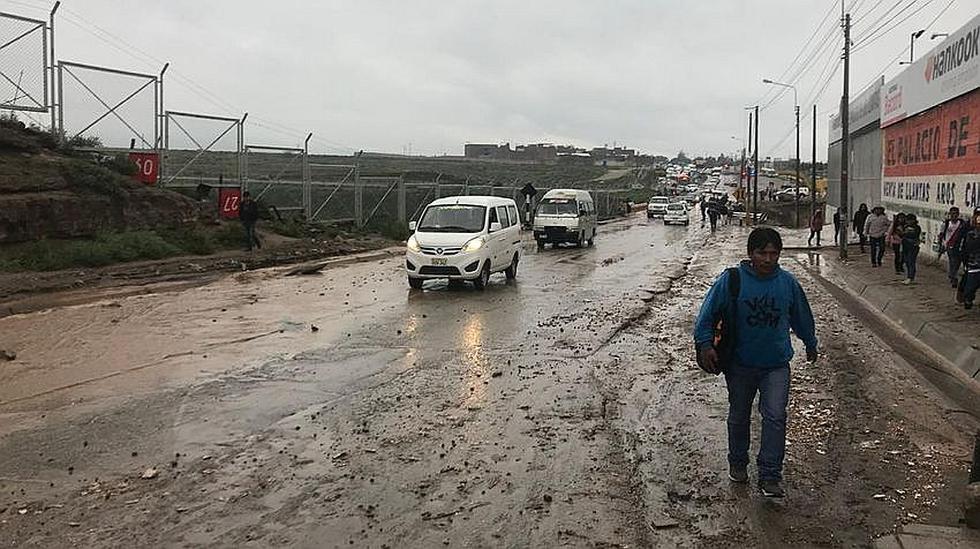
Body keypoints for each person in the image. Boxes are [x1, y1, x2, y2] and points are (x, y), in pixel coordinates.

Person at [694, 227, 818, 498]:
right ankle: (738, 462)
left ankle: (770, 474)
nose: (768, 259)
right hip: (740, 364)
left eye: (774, 253)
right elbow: (707, 313)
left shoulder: (787, 283)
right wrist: (705, 344)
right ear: (751, 254)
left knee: (775, 416)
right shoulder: (732, 281)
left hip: (776, 365)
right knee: (739, 416)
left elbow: (801, 316)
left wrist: (810, 342)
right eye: (762, 253)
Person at [938, 206, 969, 288]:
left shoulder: (962, 224)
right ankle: (953, 277)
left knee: (957, 262)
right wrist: (941, 244)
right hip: (949, 245)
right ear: (950, 214)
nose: (954, 215)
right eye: (952, 214)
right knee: (953, 261)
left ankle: (952, 275)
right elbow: (941, 234)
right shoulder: (946, 223)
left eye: (956, 214)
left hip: (959, 246)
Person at [959, 209, 980, 309]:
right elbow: (967, 247)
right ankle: (968, 299)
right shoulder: (970, 232)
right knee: (970, 286)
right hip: (974, 263)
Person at [901, 214, 922, 285]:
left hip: (913, 246)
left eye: (910, 220)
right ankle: (908, 276)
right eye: (907, 220)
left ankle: (911, 277)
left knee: (911, 262)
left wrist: (906, 233)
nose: (908, 222)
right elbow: (902, 234)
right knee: (907, 262)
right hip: (905, 246)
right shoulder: (905, 226)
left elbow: (914, 235)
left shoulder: (917, 227)